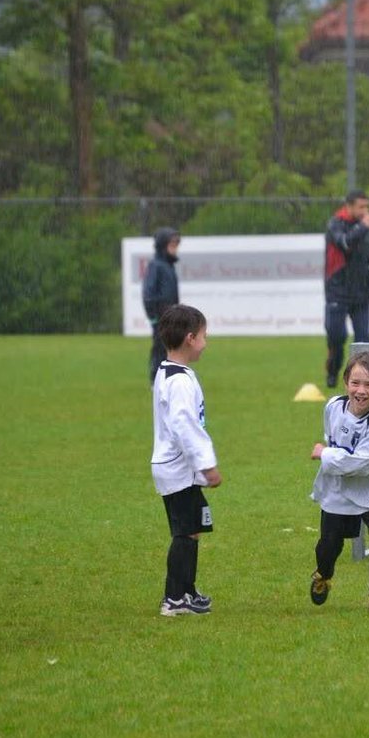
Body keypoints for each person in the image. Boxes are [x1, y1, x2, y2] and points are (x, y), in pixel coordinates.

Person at [309, 351, 369, 612]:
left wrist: (325, 453)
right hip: (340, 487)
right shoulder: (333, 406)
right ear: (346, 382)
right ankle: (323, 575)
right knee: (329, 544)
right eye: (355, 383)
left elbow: (360, 464)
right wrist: (330, 451)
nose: (361, 391)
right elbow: (332, 437)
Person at [150, 304, 222, 616]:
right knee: (183, 532)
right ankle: (173, 598)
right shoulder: (178, 381)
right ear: (190, 338)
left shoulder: (169, 371)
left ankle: (187, 592)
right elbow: (184, 426)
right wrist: (206, 464)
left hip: (180, 468)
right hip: (178, 468)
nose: (206, 342)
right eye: (204, 336)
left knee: (192, 528)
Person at [324, 191, 369, 388]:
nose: (365, 211)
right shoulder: (335, 223)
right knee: (336, 336)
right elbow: (345, 243)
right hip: (337, 289)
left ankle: (361, 382)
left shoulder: (367, 227)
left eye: (367, 207)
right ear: (348, 206)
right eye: (361, 207)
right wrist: (363, 226)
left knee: (363, 342)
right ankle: (332, 370)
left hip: (361, 290)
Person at [142, 227, 181, 385]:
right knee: (159, 348)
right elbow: (148, 294)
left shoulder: (169, 266)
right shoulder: (156, 265)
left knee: (171, 348)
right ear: (163, 246)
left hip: (171, 317)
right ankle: (156, 381)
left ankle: (167, 379)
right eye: (172, 245)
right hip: (160, 317)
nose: (175, 249)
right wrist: (153, 318)